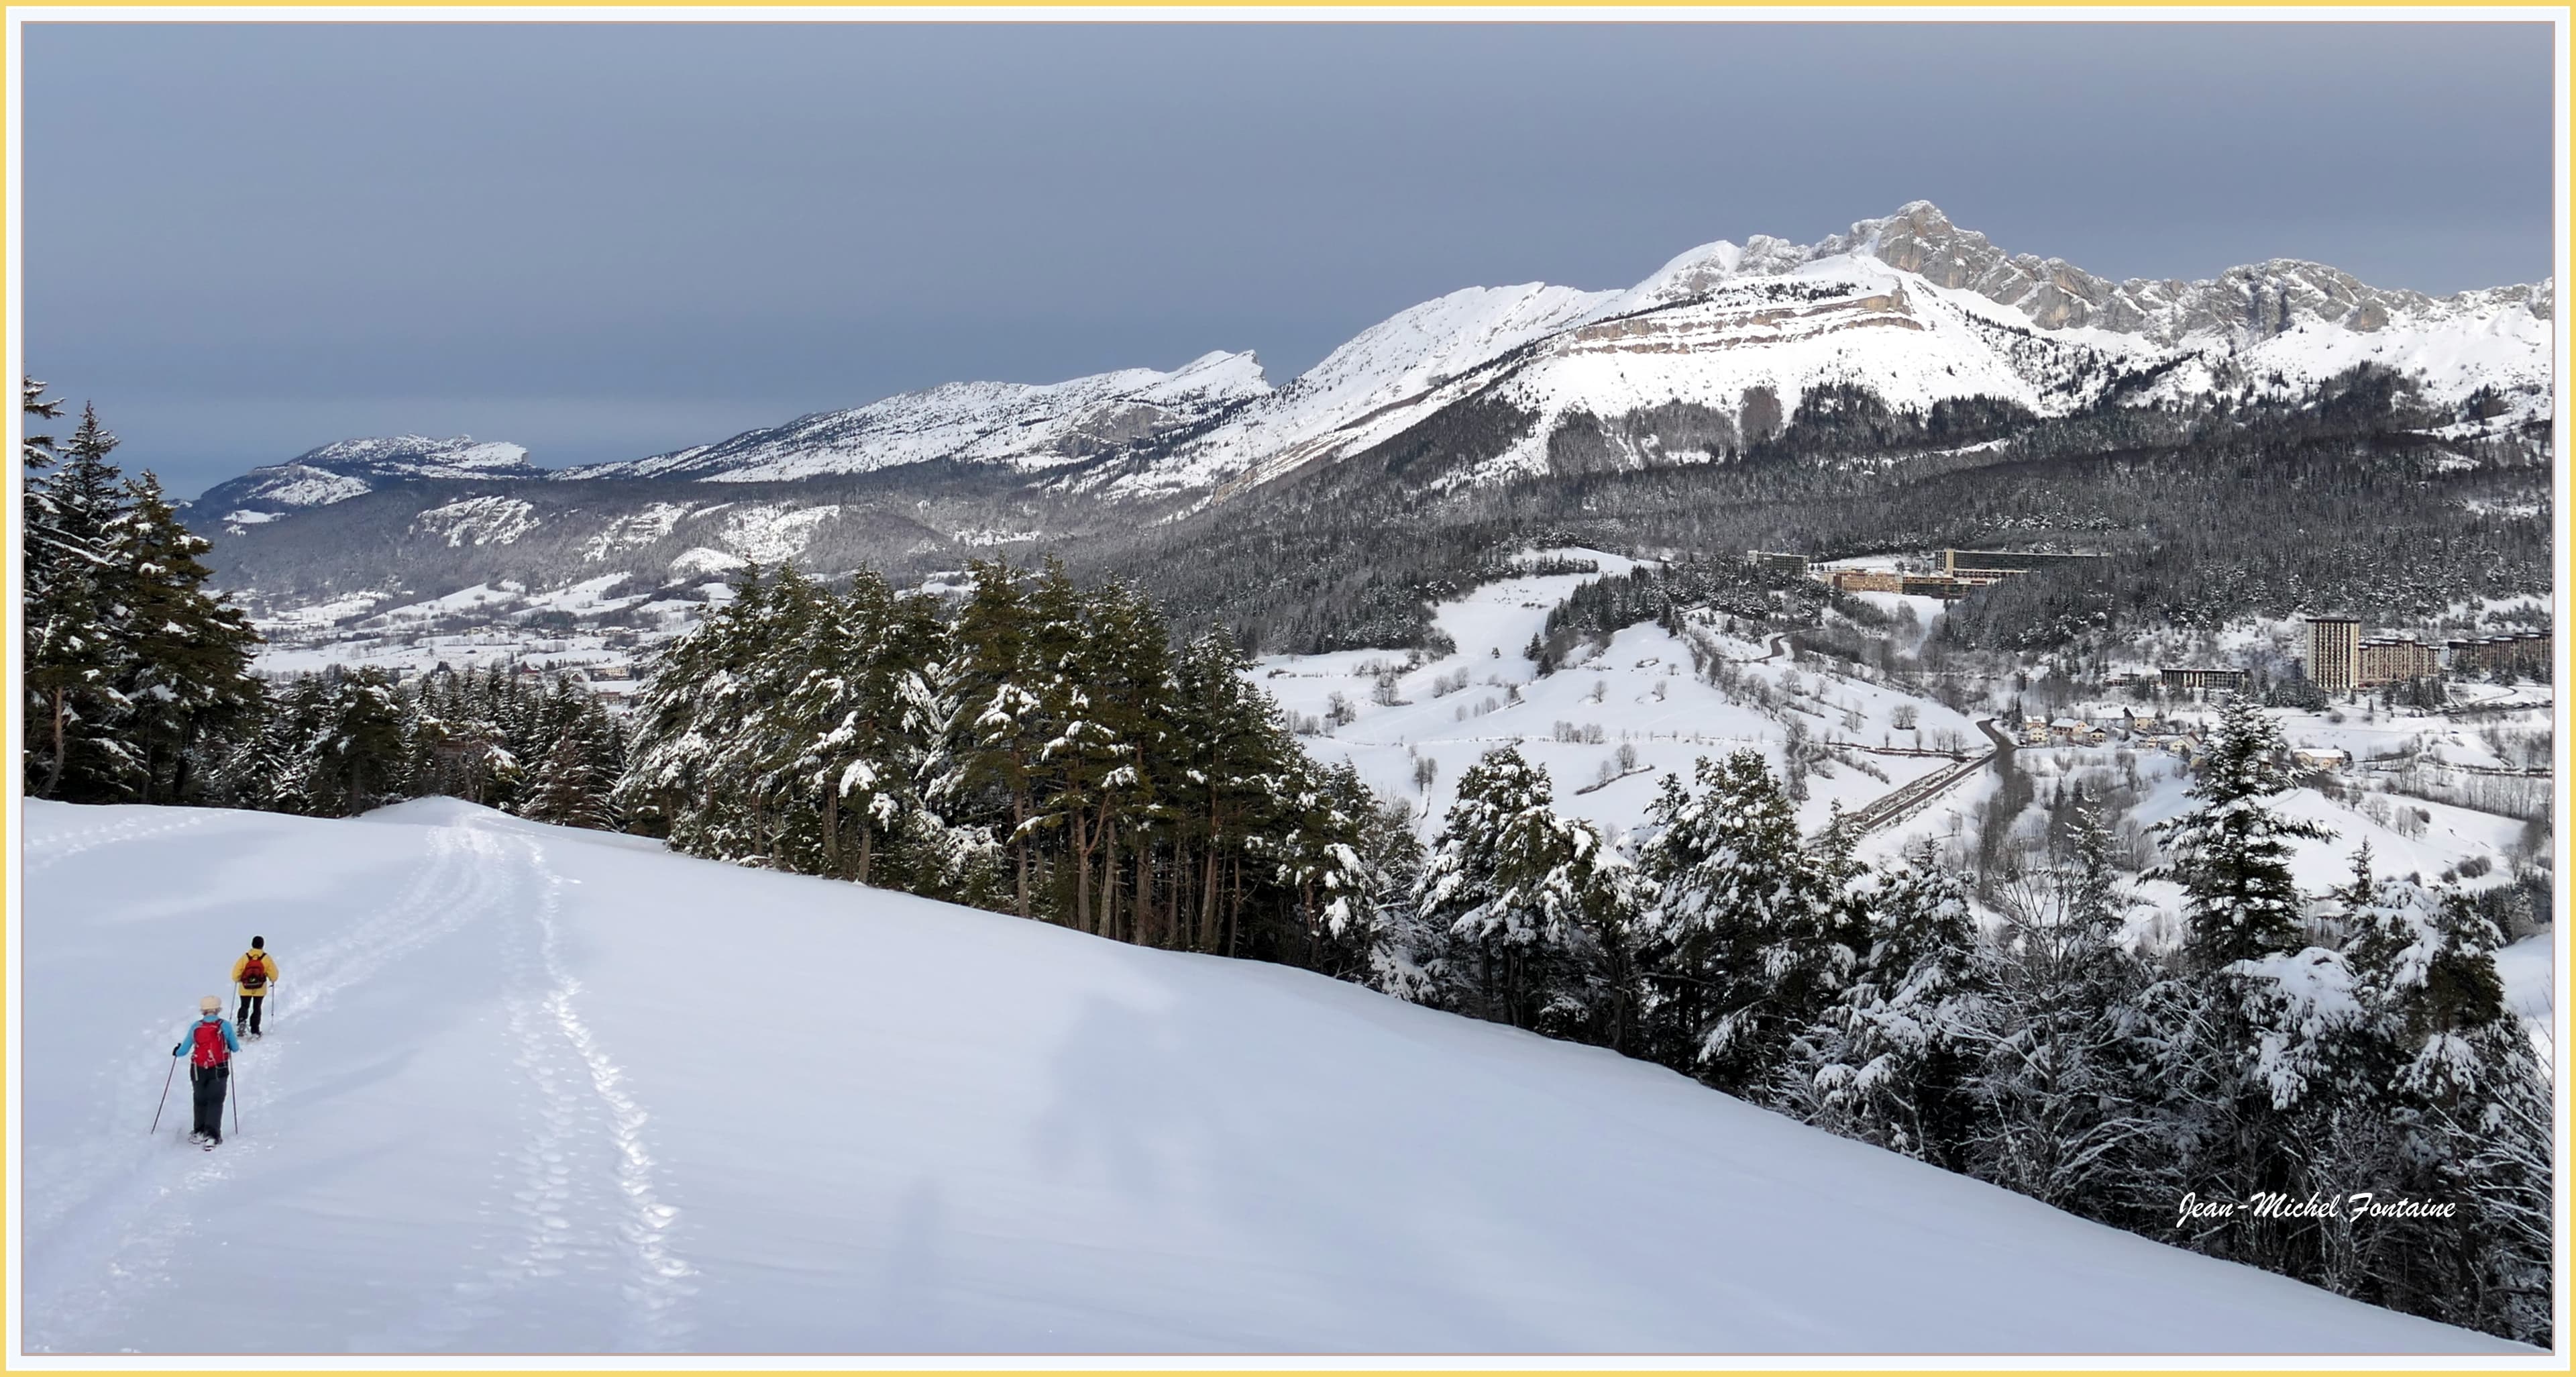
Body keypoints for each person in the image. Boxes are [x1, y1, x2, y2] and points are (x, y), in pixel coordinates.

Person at [172, 996, 238, 1145]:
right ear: (218, 1009)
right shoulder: (225, 1026)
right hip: (219, 1068)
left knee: (200, 1099)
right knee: (216, 1100)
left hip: (197, 1069)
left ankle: (199, 1131)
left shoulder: (196, 1026)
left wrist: (176, 1051)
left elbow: (183, 1050)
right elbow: (235, 1047)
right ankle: (212, 1135)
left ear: (203, 1010)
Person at [231, 937, 278, 1038]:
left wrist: (238, 979)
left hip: (245, 987)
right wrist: (272, 979)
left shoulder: (245, 957)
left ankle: (242, 1023)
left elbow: (235, 973)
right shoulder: (266, 958)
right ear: (262, 945)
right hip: (260, 988)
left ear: (252, 944)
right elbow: (274, 975)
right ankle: (255, 1030)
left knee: (244, 1006)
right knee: (257, 1008)